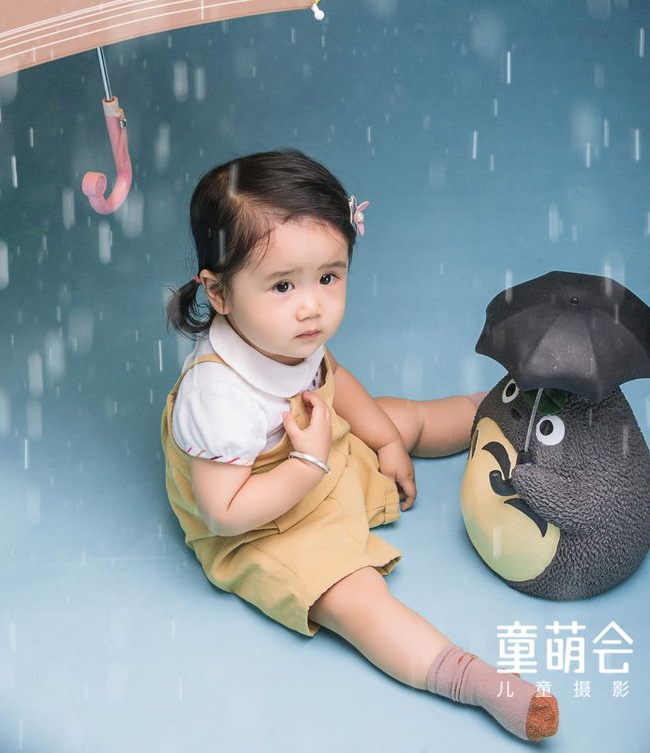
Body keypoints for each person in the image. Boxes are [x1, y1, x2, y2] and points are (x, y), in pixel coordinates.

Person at [162, 148, 558, 742]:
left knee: (403, 419)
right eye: (282, 285)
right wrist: (307, 464)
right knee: (355, 597)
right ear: (218, 294)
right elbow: (222, 513)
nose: (312, 306)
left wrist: (386, 439)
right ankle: (474, 680)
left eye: (329, 277)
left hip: (309, 439)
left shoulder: (286, 330)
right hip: (259, 515)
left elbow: (332, 377)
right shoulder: (217, 399)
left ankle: (495, 408)